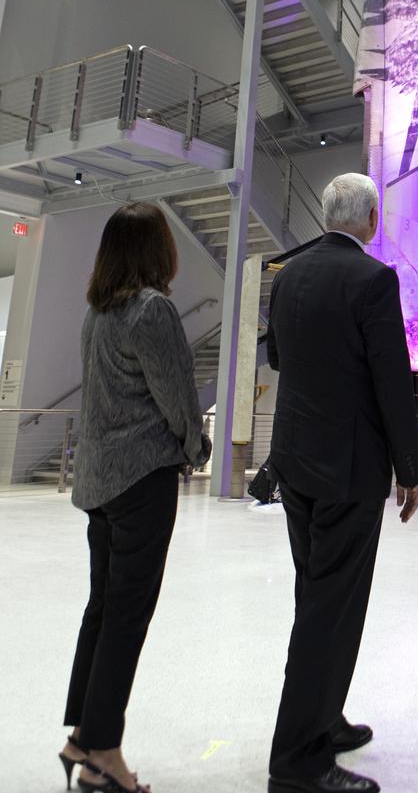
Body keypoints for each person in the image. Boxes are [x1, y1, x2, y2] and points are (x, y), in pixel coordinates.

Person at [266, 172, 418, 793]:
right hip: (349, 468)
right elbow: (392, 379)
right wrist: (410, 470)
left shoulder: (289, 275)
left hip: (295, 462)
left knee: (317, 598)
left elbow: (277, 356)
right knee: (330, 611)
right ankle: (298, 760)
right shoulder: (373, 279)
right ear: (371, 220)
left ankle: (324, 717)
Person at [60, 203, 211, 793]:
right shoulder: (153, 311)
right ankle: (104, 752)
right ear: (158, 251)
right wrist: (195, 448)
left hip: (99, 482)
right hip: (141, 481)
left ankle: (82, 733)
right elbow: (176, 396)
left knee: (102, 609)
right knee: (127, 615)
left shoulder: (97, 314)